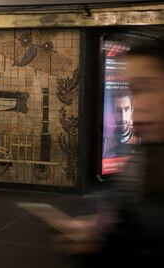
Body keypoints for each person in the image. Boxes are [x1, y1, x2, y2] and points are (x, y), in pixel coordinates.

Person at [57, 41, 164, 267]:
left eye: (147, 88)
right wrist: (98, 236)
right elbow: (126, 222)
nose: (138, 106)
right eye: (133, 91)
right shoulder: (142, 160)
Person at [103, 90, 141, 158]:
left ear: (131, 110)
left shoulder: (140, 140)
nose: (123, 117)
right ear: (113, 112)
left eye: (126, 109)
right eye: (118, 110)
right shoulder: (105, 143)